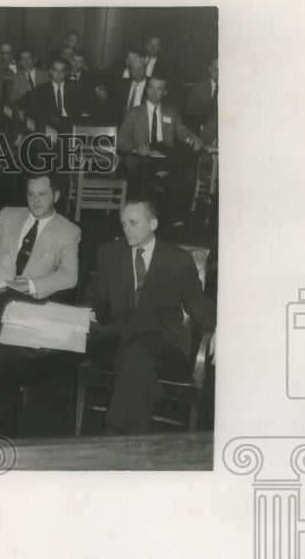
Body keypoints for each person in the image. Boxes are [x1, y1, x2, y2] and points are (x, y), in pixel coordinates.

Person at [81, 198, 215, 434]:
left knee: (134, 356)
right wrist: (88, 313)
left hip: (165, 339)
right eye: (123, 223)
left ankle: (113, 435)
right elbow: (95, 294)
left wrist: (218, 328)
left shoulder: (177, 260)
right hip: (122, 335)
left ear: (153, 224)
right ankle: (129, 438)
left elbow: (198, 303)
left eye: (133, 222)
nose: (126, 229)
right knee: (135, 360)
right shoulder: (109, 254)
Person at [0, 174, 79, 299]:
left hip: (26, 298)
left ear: (56, 196)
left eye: (42, 194)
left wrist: (29, 286)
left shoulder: (68, 231)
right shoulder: (7, 214)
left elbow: (69, 275)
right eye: (31, 194)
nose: (35, 201)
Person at [117, 75, 203, 219]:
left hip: (165, 153)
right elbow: (120, 140)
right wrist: (135, 148)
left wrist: (192, 139)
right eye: (151, 88)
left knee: (191, 151)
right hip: (142, 155)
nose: (154, 92)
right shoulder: (134, 113)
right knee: (170, 173)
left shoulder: (171, 111)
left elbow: (182, 131)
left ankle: (160, 173)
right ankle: (161, 174)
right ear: (147, 89)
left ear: (165, 93)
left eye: (159, 89)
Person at [23, 56, 89, 131]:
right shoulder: (41, 90)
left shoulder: (74, 88)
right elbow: (37, 114)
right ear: (50, 71)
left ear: (66, 73)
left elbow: (82, 106)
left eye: (62, 71)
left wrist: (84, 116)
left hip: (71, 125)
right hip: (51, 126)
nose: (58, 74)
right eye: (55, 70)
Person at [184, 56, 218, 136]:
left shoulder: (231, 89)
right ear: (210, 69)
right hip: (200, 130)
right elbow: (190, 113)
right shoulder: (199, 87)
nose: (218, 72)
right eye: (215, 69)